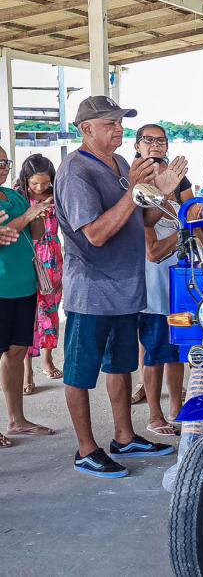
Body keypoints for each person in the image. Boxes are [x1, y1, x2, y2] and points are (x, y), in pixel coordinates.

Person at [55, 96, 186, 478]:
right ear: (86, 129)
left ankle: (125, 436)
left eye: (120, 122)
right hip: (92, 292)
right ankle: (85, 448)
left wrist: (160, 191)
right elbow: (95, 234)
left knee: (121, 365)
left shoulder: (122, 164)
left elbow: (143, 219)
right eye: (109, 122)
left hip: (127, 287)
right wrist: (134, 193)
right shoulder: (75, 171)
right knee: (80, 372)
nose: (118, 129)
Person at [134, 125, 193, 435]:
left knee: (177, 352)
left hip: (178, 287)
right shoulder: (143, 198)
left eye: (161, 141)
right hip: (154, 289)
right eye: (149, 140)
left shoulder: (176, 201)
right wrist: (184, 232)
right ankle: (155, 414)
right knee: (155, 354)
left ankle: (177, 408)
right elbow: (153, 252)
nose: (155, 146)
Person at [0, 145, 55, 448]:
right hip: (2, 287)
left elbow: (34, 234)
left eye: (6, 161)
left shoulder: (14, 196)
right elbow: (4, 234)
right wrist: (28, 216)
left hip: (25, 286)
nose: (3, 167)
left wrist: (38, 212)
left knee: (17, 351)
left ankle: (16, 420)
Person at [15, 154, 63, 391]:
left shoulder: (57, 196)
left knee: (50, 311)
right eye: (34, 183)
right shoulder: (18, 197)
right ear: (25, 180)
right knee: (29, 315)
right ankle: (27, 372)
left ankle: (47, 359)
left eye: (44, 183)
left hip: (52, 260)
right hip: (28, 258)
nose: (40, 187)